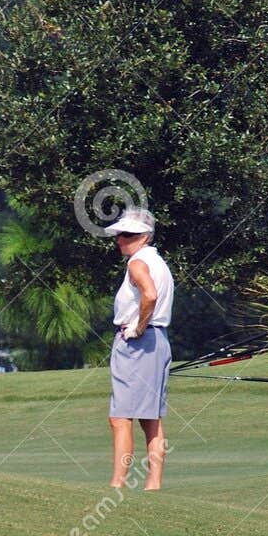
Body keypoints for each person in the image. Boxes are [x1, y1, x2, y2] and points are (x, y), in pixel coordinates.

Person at [104, 208, 173, 490]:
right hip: (157, 342)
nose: (121, 240)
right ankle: (153, 485)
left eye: (128, 235)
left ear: (144, 237)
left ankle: (117, 484)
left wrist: (139, 327)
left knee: (120, 418)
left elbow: (150, 295)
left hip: (139, 342)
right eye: (120, 234)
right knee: (150, 418)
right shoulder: (158, 261)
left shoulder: (138, 263)